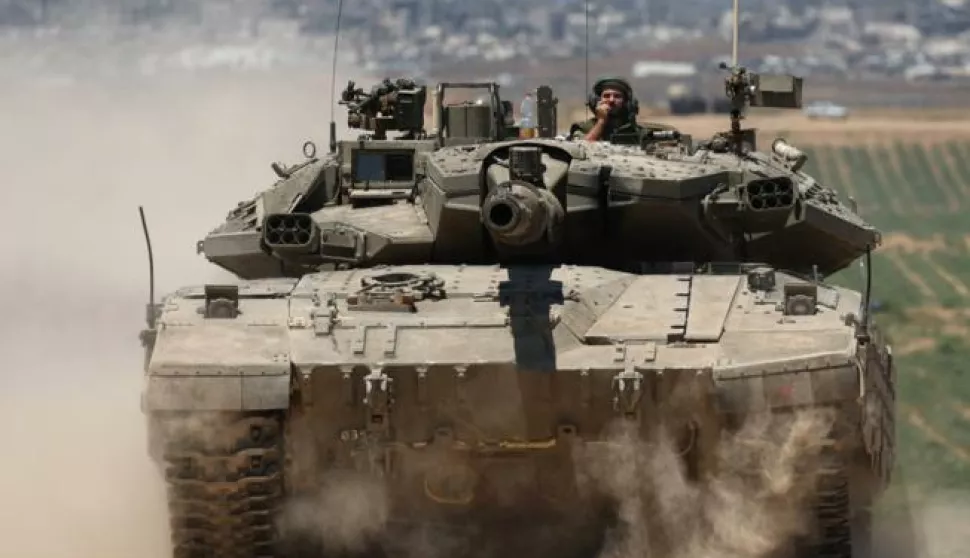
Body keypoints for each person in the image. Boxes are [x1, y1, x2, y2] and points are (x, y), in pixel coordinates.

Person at [569, 76, 676, 142]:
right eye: (606, 96)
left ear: (627, 102)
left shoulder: (635, 131)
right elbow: (582, 148)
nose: (611, 100)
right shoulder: (585, 129)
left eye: (617, 96)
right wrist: (601, 121)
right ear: (596, 102)